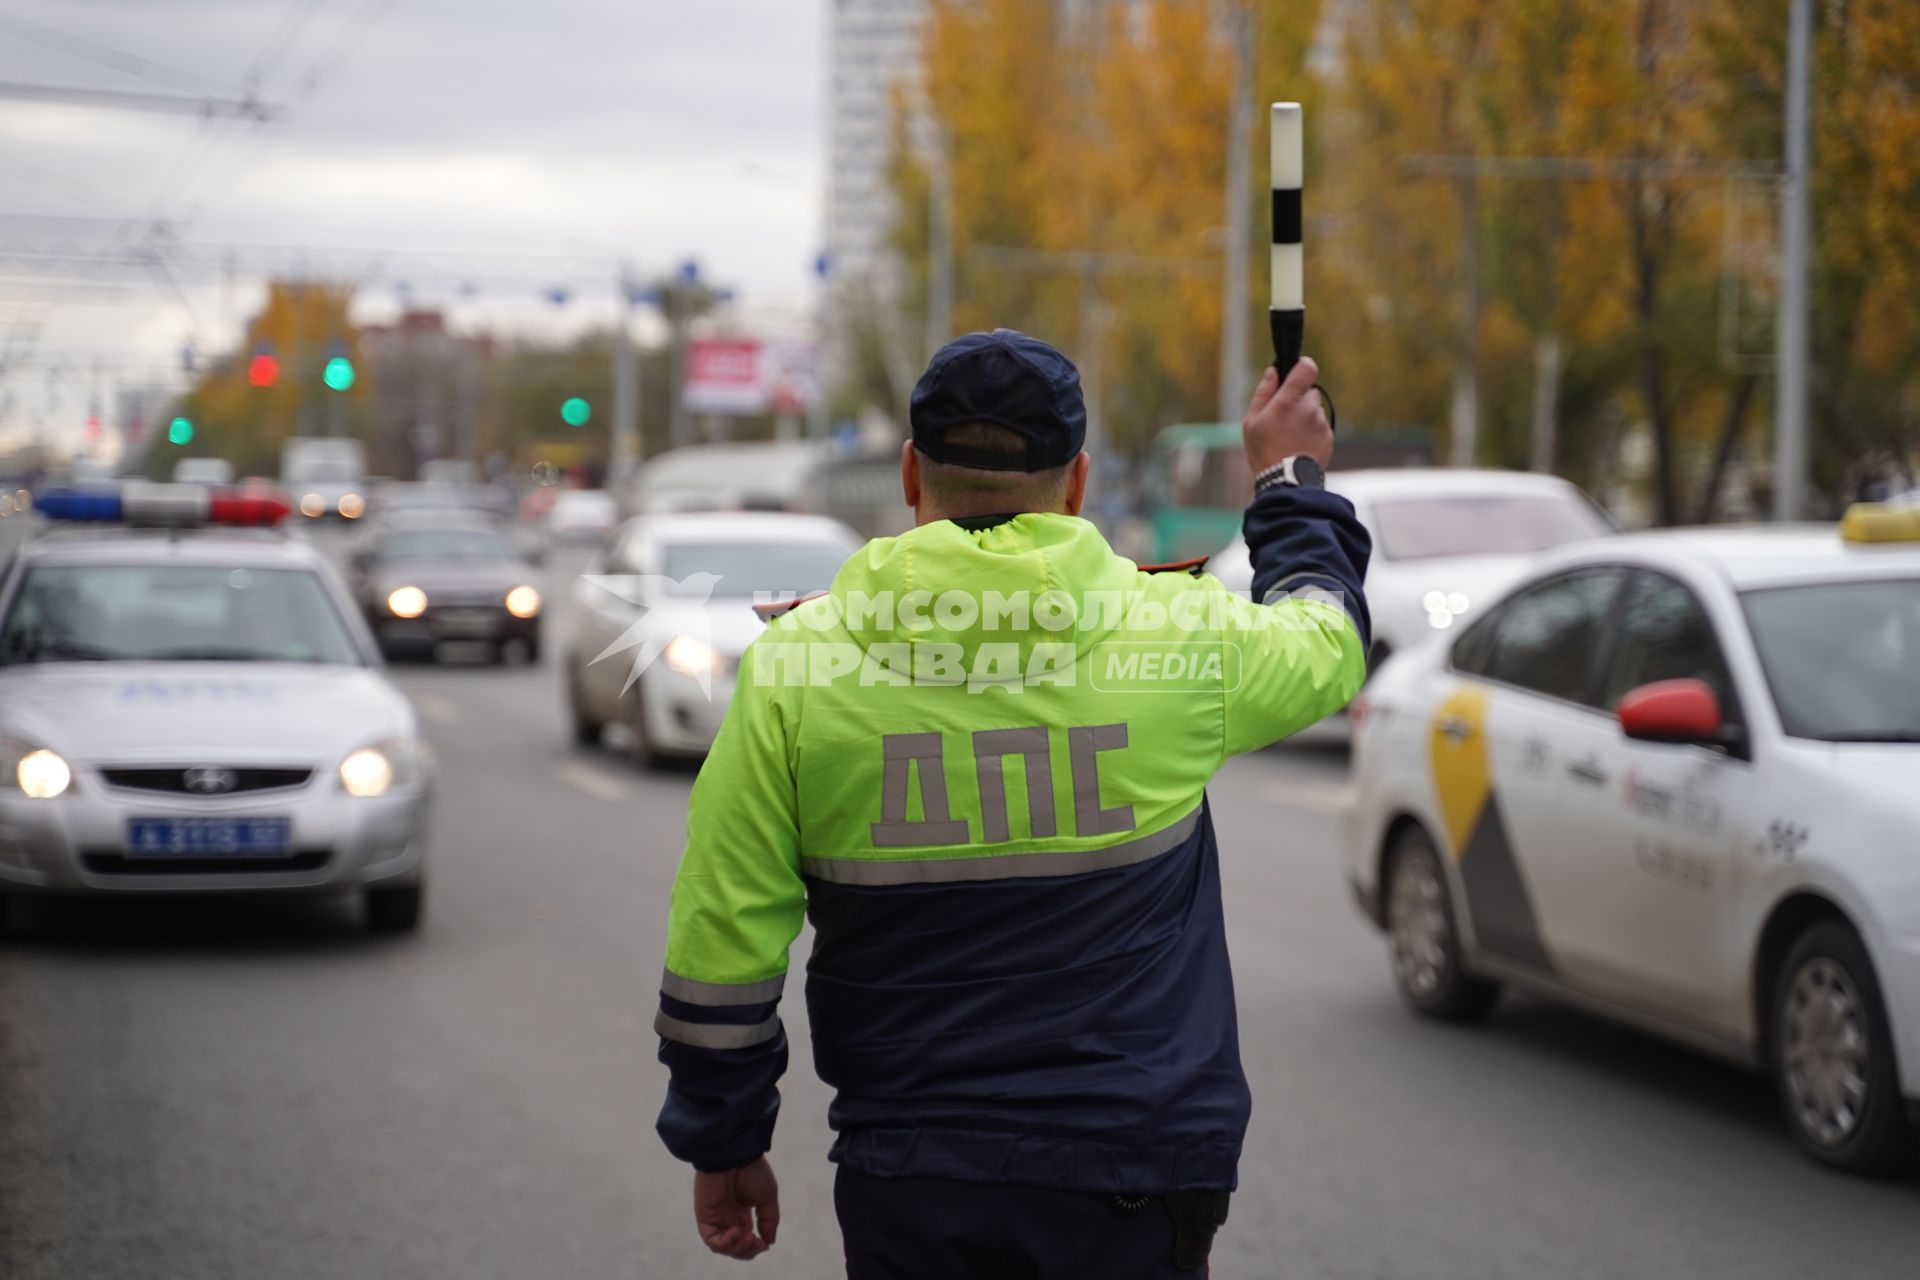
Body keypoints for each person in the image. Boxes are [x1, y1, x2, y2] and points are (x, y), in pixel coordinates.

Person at [654, 329, 1371, 1277]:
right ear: (1076, 484)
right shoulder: (1184, 644)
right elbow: (1327, 636)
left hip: (911, 1173)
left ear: (911, 474)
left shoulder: (799, 666)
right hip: (1136, 1170)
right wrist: (1286, 474)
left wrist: (726, 1139)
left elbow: (722, 941)